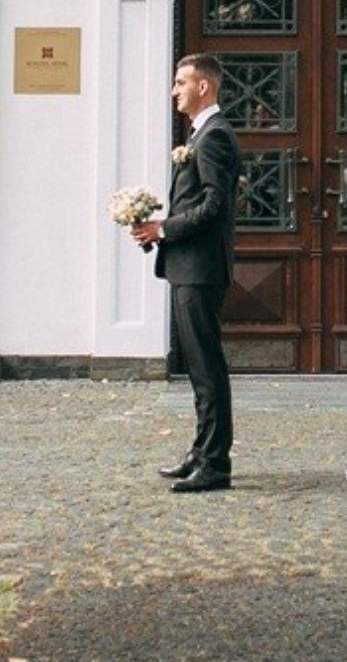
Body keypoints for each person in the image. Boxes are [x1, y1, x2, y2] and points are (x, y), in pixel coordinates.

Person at [132, 54, 241, 493]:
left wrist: (165, 228)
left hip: (201, 267)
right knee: (197, 367)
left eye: (182, 82)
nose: (175, 90)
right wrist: (157, 231)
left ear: (204, 87)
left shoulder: (214, 137)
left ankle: (215, 464)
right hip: (187, 264)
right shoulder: (200, 134)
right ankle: (201, 451)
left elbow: (215, 205)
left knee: (207, 365)